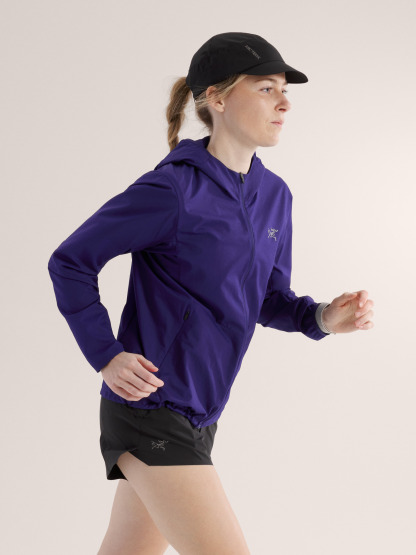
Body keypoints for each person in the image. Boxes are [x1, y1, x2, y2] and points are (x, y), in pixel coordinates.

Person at [48, 32, 374, 555]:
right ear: (216, 98)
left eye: (285, 89)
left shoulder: (275, 196)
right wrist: (105, 354)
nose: (284, 102)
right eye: (266, 88)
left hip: (203, 412)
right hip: (152, 406)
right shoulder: (173, 190)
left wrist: (320, 318)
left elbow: (266, 297)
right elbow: (70, 261)